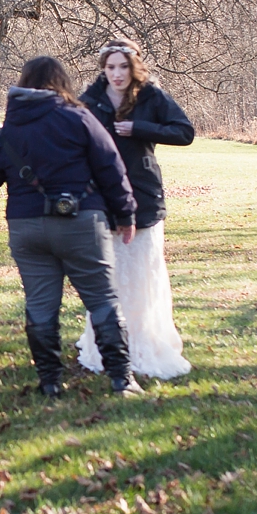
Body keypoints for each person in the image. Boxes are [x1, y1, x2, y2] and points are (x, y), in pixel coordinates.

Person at [0, 57, 140, 398]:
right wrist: (126, 214)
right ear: (61, 83)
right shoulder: (79, 118)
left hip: (27, 228)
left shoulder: (8, 132)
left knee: (40, 306)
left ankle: (50, 383)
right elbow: (111, 167)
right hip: (81, 223)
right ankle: (122, 380)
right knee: (102, 300)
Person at [76, 40, 194, 379]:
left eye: (123, 66)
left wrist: (141, 129)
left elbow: (184, 131)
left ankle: (143, 345)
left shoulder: (151, 96)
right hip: (102, 198)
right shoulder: (90, 100)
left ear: (134, 66)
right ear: (103, 68)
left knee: (143, 275)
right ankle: (105, 345)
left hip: (143, 196)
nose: (117, 74)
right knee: (106, 277)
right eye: (110, 67)